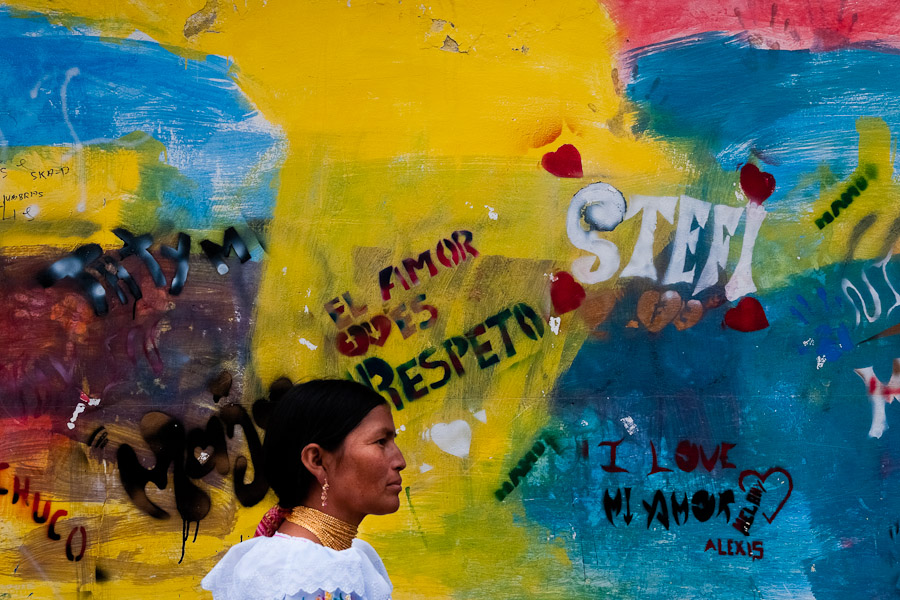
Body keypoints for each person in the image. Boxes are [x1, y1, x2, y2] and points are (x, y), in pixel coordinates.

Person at [202, 379, 406, 600]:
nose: (400, 461)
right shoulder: (288, 572)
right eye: (380, 442)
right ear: (317, 460)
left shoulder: (353, 558)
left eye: (392, 441)